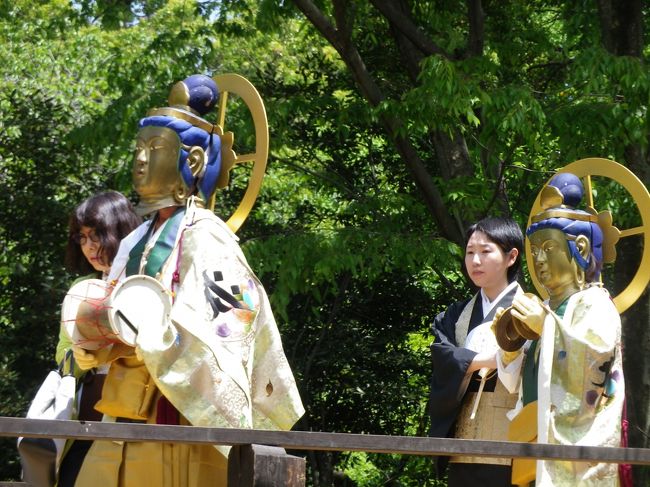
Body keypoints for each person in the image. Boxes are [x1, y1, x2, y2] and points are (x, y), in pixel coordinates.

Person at [72, 74, 304, 487]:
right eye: (139, 149)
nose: (141, 160)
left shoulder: (207, 236)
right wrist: (93, 339)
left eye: (156, 148)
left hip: (176, 417)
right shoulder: (135, 240)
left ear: (192, 161)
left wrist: (153, 337)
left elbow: (235, 323)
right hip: (120, 411)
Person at [496, 173, 624, 486]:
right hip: (534, 441)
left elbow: (594, 361)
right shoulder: (547, 310)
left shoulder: (595, 304)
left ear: (579, 247)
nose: (538, 259)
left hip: (576, 455)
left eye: (549, 248)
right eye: (535, 249)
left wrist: (546, 328)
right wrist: (512, 345)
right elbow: (518, 386)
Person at [429, 216, 524, 486]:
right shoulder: (456, 316)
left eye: (485, 251)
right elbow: (442, 358)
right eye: (470, 252)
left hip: (513, 441)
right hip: (463, 443)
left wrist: (473, 362)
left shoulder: (532, 313)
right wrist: (493, 359)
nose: (475, 261)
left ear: (511, 256)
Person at [56, 191, 141, 487]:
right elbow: (63, 356)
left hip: (137, 415)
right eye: (82, 238)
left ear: (120, 231)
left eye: (96, 236)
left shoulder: (145, 283)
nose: (89, 247)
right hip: (87, 411)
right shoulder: (82, 288)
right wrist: (87, 351)